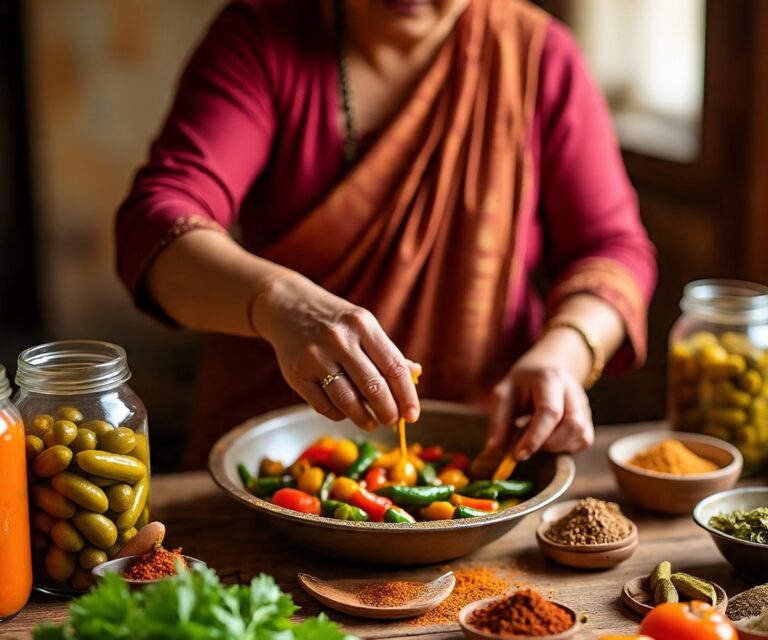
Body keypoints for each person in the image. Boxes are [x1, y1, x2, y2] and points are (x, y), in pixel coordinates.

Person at [115, 0, 656, 469]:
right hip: (275, 459)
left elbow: (613, 251)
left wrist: (564, 353)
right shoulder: (262, 37)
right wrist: (281, 303)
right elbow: (157, 222)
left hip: (486, 455)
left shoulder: (538, 57)